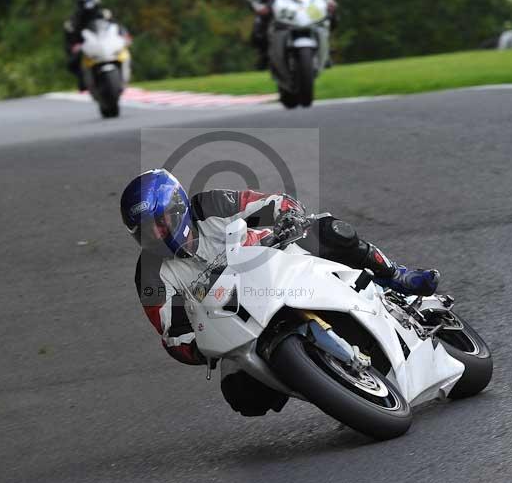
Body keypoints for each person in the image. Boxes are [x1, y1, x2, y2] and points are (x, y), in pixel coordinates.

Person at [120, 169, 440, 416]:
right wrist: (202, 345)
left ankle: (398, 275)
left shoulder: (210, 205)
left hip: (278, 267)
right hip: (236, 323)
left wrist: (289, 217)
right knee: (243, 397)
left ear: (177, 207)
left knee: (330, 231)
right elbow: (173, 336)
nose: (156, 234)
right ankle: (321, 378)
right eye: (145, 230)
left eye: (160, 223)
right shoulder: (150, 273)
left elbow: (271, 203)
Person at [63, 0, 129, 91]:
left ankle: (124, 73)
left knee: (124, 50)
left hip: (105, 42)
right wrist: (74, 46)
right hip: (87, 45)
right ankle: (83, 81)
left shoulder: (105, 14)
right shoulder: (73, 20)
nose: (89, 7)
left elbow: (117, 26)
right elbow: (70, 37)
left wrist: (124, 35)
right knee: (73, 61)